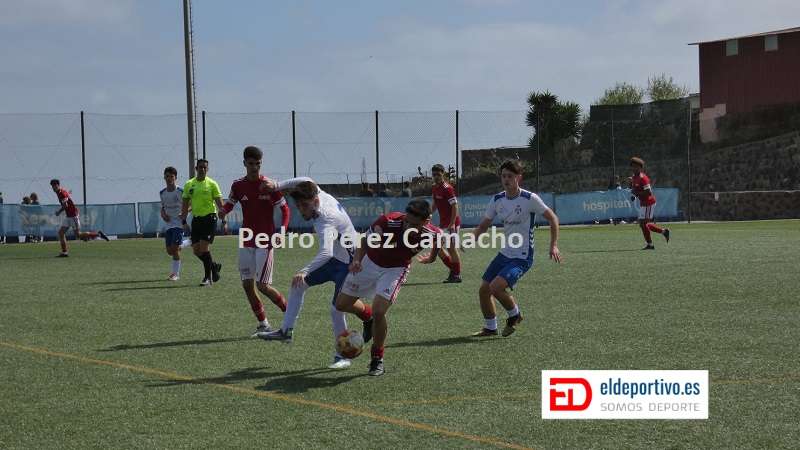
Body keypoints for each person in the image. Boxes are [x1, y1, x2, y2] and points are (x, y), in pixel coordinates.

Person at [257, 176, 357, 370]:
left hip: (348, 264)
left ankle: (343, 356)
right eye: (299, 206)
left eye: (304, 206)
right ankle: (286, 331)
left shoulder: (325, 219)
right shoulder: (315, 191)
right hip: (336, 258)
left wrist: (304, 271)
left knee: (336, 310)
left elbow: (326, 252)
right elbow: (305, 179)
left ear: (316, 202)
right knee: (298, 285)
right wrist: (277, 186)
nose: (301, 210)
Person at [335, 199, 441, 376]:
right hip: (370, 262)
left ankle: (377, 358)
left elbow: (439, 240)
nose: (408, 226)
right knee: (341, 304)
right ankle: (367, 318)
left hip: (395, 269)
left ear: (426, 221)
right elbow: (364, 241)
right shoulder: (387, 222)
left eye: (414, 224)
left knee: (379, 311)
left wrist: (432, 258)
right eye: (406, 221)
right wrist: (357, 260)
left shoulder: (431, 232)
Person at [470, 160, 561, 337]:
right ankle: (490, 327)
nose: (506, 179)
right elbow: (483, 225)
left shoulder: (529, 199)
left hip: (522, 256)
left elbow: (553, 218)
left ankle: (515, 314)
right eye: (503, 176)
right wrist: (470, 240)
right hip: (505, 253)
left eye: (510, 176)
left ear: (519, 177)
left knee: (495, 287)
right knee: (484, 290)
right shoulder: (497, 200)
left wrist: (554, 245)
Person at [218, 146, 289, 334]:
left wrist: (282, 231)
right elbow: (230, 203)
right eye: (251, 164)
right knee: (247, 285)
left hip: (265, 240)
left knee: (262, 285)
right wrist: (223, 211)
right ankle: (263, 323)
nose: (254, 167)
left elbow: (285, 209)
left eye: (258, 164)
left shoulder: (269, 185)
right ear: (244, 163)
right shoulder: (238, 185)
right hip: (246, 239)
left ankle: (290, 314)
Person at [180, 159, 225, 286]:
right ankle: (214, 266)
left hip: (210, 219)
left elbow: (220, 204)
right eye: (200, 167)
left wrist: (224, 220)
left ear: (207, 169)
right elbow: (185, 204)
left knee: (204, 248)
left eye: (205, 167)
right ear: (196, 168)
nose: (203, 169)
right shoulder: (189, 184)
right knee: (196, 250)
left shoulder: (212, 184)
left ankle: (207, 278)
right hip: (196, 220)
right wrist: (183, 221)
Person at [50, 179, 109, 257]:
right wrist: (68, 194)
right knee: (61, 233)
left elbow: (65, 205)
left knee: (78, 235)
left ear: (58, 185)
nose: (53, 188)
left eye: (54, 186)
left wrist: (58, 212)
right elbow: (67, 198)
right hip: (69, 216)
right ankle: (64, 252)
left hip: (73, 216)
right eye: (52, 186)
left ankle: (98, 234)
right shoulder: (60, 192)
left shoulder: (61, 193)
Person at [430, 163, 462, 283]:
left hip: (452, 223)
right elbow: (435, 205)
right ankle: (454, 271)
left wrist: (452, 223)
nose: (436, 177)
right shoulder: (435, 188)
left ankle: (456, 275)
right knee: (437, 248)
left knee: (451, 248)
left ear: (443, 174)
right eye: (434, 175)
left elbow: (455, 206)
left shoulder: (447, 188)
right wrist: (427, 215)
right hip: (443, 224)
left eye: (438, 174)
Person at [628, 157, 670, 250]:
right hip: (643, 203)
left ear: (640, 167)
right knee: (643, 224)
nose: (634, 168)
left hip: (649, 203)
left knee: (643, 224)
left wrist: (637, 194)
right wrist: (633, 193)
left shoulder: (643, 178)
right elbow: (635, 189)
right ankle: (663, 232)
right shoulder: (634, 177)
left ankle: (650, 244)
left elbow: (648, 192)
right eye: (632, 166)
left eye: (636, 166)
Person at [160, 167, 184, 281]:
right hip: (169, 224)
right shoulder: (162, 193)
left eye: (171, 176)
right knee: (170, 251)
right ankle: (186, 243)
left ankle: (175, 274)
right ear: (164, 177)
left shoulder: (180, 191)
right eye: (167, 176)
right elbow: (163, 207)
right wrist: (163, 215)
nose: (169, 178)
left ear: (175, 178)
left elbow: (190, 205)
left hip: (179, 224)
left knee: (174, 249)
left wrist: (183, 213)